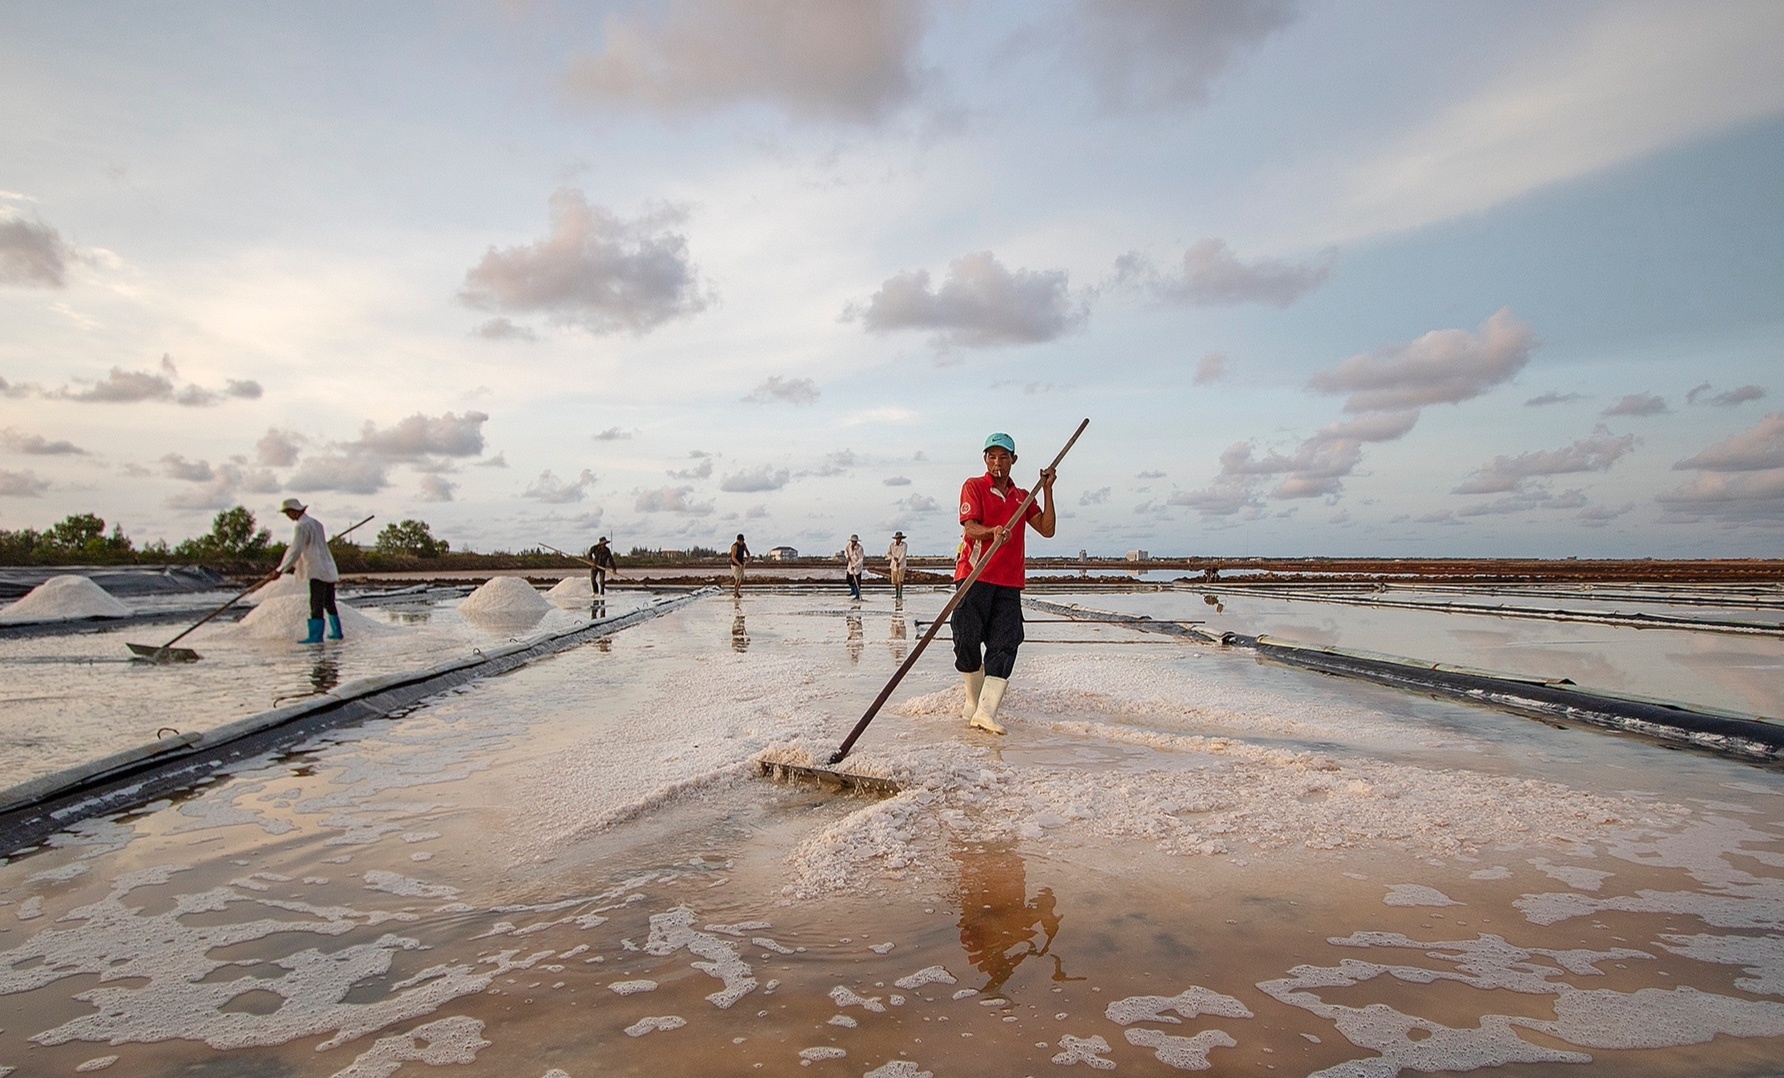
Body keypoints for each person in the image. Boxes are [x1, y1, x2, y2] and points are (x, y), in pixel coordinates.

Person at [953, 432, 1056, 734]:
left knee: (1005, 644)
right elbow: (970, 527)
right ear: (985, 459)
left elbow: (1047, 529)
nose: (997, 462)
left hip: (1009, 582)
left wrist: (1048, 491)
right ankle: (973, 703)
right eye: (992, 456)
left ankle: (987, 711)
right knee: (966, 640)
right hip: (974, 576)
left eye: (1004, 456)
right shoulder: (974, 486)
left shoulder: (1023, 498)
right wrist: (992, 532)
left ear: (1014, 460)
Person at [277, 497, 342, 644]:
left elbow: (296, 550)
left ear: (294, 512)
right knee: (329, 601)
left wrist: (281, 569)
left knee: (316, 602)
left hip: (316, 568)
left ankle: (315, 636)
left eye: (288, 513)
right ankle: (337, 632)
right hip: (328, 566)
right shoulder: (316, 524)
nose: (288, 516)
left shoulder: (301, 526)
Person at [886, 531, 908, 600]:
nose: (899, 539)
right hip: (893, 565)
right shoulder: (891, 545)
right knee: (895, 581)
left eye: (900, 538)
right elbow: (888, 554)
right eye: (898, 538)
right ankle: (896, 594)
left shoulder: (904, 545)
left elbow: (903, 554)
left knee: (900, 580)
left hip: (901, 565)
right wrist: (893, 558)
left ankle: (900, 594)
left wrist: (899, 561)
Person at [844, 534, 866, 599]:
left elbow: (861, 559)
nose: (853, 543)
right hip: (850, 566)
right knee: (848, 579)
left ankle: (857, 595)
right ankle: (853, 590)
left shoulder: (859, 548)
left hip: (857, 567)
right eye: (852, 541)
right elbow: (846, 552)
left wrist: (855, 565)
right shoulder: (848, 546)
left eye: (854, 541)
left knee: (857, 582)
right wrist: (847, 557)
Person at [729, 533, 750, 598]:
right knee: (737, 579)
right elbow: (733, 557)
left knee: (741, 579)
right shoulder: (734, 546)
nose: (742, 542)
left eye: (743, 541)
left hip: (741, 564)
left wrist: (748, 557)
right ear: (738, 540)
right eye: (741, 541)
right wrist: (739, 564)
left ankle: (736, 592)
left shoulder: (744, 545)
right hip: (735, 565)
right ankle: (735, 593)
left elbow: (747, 552)